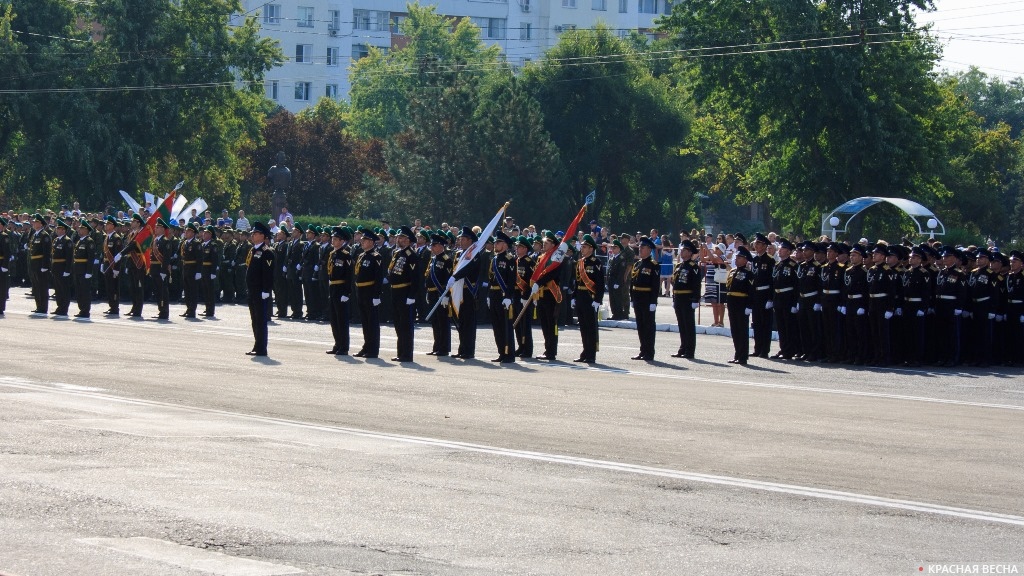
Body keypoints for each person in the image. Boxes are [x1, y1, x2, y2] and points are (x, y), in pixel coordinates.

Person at [449, 227, 482, 360]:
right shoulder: (458, 254)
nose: (460, 241)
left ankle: (469, 350)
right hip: (458, 290)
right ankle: (462, 348)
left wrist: (455, 276)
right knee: (460, 321)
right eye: (460, 239)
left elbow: (468, 269)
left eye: (463, 239)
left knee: (468, 322)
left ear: (470, 240)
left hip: (468, 292)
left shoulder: (475, 254)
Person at [389, 226, 420, 362]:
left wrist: (412, 296)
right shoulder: (397, 253)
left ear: (408, 240)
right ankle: (400, 352)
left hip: (405, 292)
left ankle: (407, 354)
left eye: (401, 238)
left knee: (406, 325)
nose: (398, 239)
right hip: (395, 291)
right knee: (398, 324)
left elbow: (416, 278)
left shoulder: (411, 255)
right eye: (398, 237)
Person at [573, 234, 605, 363]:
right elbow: (577, 281)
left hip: (590, 298)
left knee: (591, 328)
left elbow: (600, 283)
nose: (582, 249)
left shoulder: (596, 263)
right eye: (582, 247)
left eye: (585, 247)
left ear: (591, 249)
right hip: (580, 297)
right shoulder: (580, 262)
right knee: (583, 327)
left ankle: (591, 354)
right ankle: (585, 351)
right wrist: (574, 297)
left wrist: (598, 300)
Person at [532, 231, 563, 361]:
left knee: (551, 324)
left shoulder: (556, 258)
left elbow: (551, 275)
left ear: (553, 244)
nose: (544, 244)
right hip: (542, 294)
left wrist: (538, 283)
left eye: (547, 242)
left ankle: (551, 351)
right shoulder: (541, 257)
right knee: (544, 323)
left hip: (551, 294)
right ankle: (547, 349)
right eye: (543, 242)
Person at [245, 221, 274, 357]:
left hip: (260, 291)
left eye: (256, 233)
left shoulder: (266, 252)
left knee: (261, 320)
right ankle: (257, 345)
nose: (253, 235)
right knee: (254, 319)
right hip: (252, 290)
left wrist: (266, 290)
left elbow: (268, 273)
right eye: (253, 233)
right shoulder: (253, 250)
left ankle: (262, 348)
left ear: (262, 236)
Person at [488, 231, 517, 363]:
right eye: (495, 242)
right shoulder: (494, 259)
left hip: (503, 295)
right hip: (494, 294)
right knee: (497, 326)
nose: (495, 244)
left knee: (506, 326)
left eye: (498, 242)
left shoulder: (510, 259)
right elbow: (491, 278)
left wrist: (508, 296)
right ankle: (501, 352)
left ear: (505, 245)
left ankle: (509, 354)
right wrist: (489, 295)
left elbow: (511, 280)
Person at [630, 237, 661, 361]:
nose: (640, 250)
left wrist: (653, 301)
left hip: (647, 299)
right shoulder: (637, 264)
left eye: (642, 248)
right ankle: (643, 350)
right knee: (640, 326)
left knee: (648, 327)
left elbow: (655, 285)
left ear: (649, 249)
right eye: (640, 248)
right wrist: (632, 297)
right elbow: (632, 282)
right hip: (638, 298)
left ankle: (649, 352)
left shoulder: (654, 265)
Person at [354, 229, 383, 359]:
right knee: (365, 322)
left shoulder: (376, 257)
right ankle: (366, 347)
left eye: (364, 240)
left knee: (372, 323)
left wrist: (376, 295)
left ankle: (373, 350)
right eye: (362, 240)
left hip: (370, 292)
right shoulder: (361, 255)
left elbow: (378, 277)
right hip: (361, 292)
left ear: (371, 242)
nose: (362, 242)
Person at [670, 240, 702, 359]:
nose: (681, 252)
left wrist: (695, 299)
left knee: (688, 325)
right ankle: (682, 348)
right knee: (682, 325)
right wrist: (674, 298)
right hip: (678, 298)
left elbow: (696, 284)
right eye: (681, 250)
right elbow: (675, 282)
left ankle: (689, 351)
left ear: (689, 253)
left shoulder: (693, 267)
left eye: (684, 250)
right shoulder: (679, 266)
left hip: (687, 298)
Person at [325, 226, 354, 355]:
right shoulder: (333, 253)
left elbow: (349, 275)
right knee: (334, 319)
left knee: (342, 320)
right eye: (333, 238)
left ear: (342, 241)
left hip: (341, 288)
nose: (333, 241)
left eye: (336, 239)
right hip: (333, 288)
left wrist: (346, 293)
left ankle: (344, 346)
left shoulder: (346, 255)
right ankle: (337, 344)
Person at [425, 233, 454, 356]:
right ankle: (437, 346)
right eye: (432, 245)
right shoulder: (433, 259)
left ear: (441, 246)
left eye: (435, 245)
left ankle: (444, 347)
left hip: (441, 293)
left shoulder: (446, 260)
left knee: (443, 321)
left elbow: (448, 278)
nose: (432, 248)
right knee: (435, 321)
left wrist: (446, 295)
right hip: (432, 292)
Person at [726, 246, 755, 364]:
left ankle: (743, 356)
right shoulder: (733, 271)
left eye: (739, 257)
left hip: (742, 303)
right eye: (736, 257)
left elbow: (751, 291)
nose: (736, 259)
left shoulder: (749, 274)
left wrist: (749, 306)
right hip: (732, 303)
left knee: (742, 331)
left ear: (745, 260)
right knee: (735, 330)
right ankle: (737, 354)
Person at [771, 239, 799, 360]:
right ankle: (783, 348)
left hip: (788, 298)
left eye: (782, 249)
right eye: (780, 248)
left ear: (788, 251)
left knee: (789, 326)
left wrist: (794, 303)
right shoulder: (778, 265)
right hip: (778, 297)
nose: (780, 250)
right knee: (781, 326)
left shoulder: (793, 265)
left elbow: (796, 285)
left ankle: (789, 350)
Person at [513, 236, 535, 358]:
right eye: (516, 246)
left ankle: (527, 349)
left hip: (524, 296)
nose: (517, 248)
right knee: (517, 323)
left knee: (525, 324)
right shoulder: (516, 261)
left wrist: (526, 295)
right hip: (516, 295)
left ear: (525, 248)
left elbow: (531, 281)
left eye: (519, 247)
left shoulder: (529, 262)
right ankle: (520, 346)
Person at [28, 213, 52, 314]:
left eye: (36, 222)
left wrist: (45, 266)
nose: (34, 223)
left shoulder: (44, 236)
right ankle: (39, 306)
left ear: (41, 224)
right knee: (36, 286)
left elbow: (46, 252)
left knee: (42, 286)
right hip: (34, 263)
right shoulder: (35, 234)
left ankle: (43, 307)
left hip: (41, 264)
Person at [49, 219, 74, 316]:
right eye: (57, 228)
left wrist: (68, 270)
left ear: (63, 230)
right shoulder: (56, 240)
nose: (57, 230)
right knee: (58, 289)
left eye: (59, 229)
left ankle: (64, 308)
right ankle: (59, 307)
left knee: (64, 289)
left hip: (63, 268)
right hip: (56, 268)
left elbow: (69, 257)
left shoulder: (67, 241)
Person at [100, 216, 123, 316]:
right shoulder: (107, 237)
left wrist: (116, 269)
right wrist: (102, 263)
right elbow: (104, 253)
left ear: (112, 226)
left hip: (113, 266)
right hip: (106, 264)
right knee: (108, 286)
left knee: (114, 287)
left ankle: (115, 307)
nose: (106, 225)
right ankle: (111, 306)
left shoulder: (116, 238)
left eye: (108, 224)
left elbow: (118, 255)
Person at [150, 219, 173, 320]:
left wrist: (164, 271)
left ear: (163, 229)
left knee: (163, 291)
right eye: (156, 227)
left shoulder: (166, 241)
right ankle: (160, 310)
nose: (156, 229)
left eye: (158, 227)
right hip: (154, 269)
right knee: (157, 291)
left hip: (161, 269)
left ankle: (164, 312)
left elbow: (166, 258)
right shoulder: (155, 240)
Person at [200, 225, 221, 318]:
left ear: (210, 234)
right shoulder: (202, 244)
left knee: (210, 291)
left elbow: (215, 259)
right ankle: (207, 307)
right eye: (204, 232)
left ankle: (210, 310)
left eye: (206, 233)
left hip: (209, 270)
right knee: (204, 290)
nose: (204, 234)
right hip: (203, 269)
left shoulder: (213, 245)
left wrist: (213, 272)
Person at [0, 217, 11, 315]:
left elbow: (7, 253)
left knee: (1, 287)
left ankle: (0, 307)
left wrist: (4, 266)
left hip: (1, 263)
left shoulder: (4, 236)